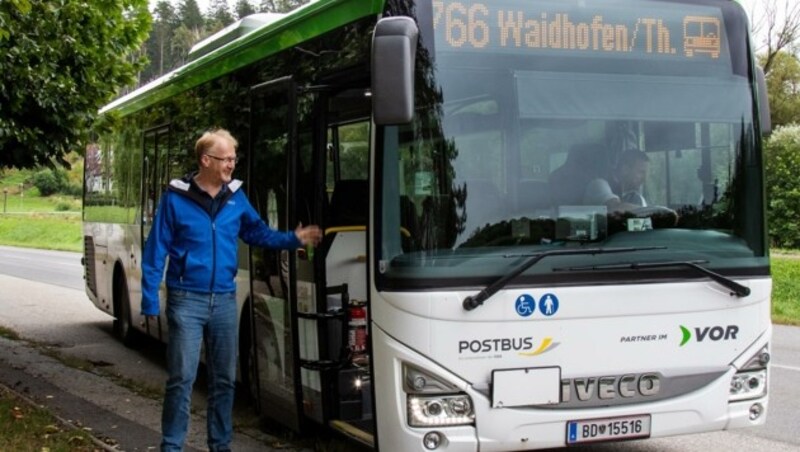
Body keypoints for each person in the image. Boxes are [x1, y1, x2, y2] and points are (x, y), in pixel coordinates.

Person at [140, 128, 322, 452]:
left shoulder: (236, 197)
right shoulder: (175, 197)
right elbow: (156, 251)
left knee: (224, 381)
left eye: (234, 159)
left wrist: (292, 239)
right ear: (206, 160)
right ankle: (171, 446)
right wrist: (149, 299)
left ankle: (220, 446)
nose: (231, 165)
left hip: (223, 300)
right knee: (181, 379)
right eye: (226, 159)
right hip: (186, 300)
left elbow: (257, 233)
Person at [583, 148, 650, 213]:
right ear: (625, 170)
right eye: (641, 172)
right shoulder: (598, 185)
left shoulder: (638, 199)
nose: (644, 179)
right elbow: (615, 208)